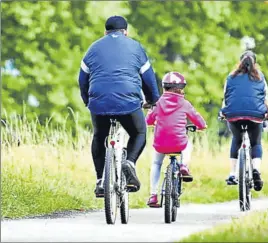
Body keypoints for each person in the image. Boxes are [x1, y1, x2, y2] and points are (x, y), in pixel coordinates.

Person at [78, 16, 160, 197]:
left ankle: (100, 180)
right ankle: (129, 162)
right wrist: (153, 100)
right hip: (128, 103)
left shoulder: (93, 48)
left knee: (99, 136)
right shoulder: (135, 47)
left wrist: (87, 100)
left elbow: (82, 79)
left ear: (105, 32)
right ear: (126, 32)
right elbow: (149, 79)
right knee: (139, 132)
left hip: (98, 102)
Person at [145, 71, 207, 206]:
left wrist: (153, 122)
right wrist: (202, 126)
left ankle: (153, 195)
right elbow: (198, 120)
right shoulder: (185, 103)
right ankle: (184, 165)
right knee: (187, 145)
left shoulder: (158, 102)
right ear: (181, 88)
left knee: (156, 164)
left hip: (160, 143)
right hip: (179, 143)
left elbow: (148, 121)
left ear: (164, 87)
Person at [219, 50, 268, 191]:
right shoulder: (260, 78)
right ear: (254, 63)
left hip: (233, 114)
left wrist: (223, 113)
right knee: (255, 143)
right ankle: (255, 169)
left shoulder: (230, 77)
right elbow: (265, 99)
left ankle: (232, 174)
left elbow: (226, 98)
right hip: (255, 116)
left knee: (236, 140)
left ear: (240, 62)